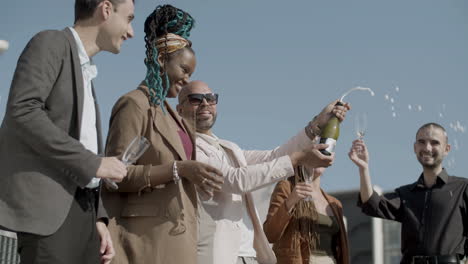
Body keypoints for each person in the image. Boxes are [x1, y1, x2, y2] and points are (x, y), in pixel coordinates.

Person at [0, 0, 134, 263]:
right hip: (49, 215)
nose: (131, 32)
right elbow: (23, 112)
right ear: (106, 9)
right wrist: (94, 163)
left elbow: (82, 143)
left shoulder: (87, 73)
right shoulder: (50, 42)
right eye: (129, 19)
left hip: (84, 216)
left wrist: (98, 218)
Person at [176, 80, 350, 264]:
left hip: (249, 253)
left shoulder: (229, 148)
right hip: (215, 254)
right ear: (180, 110)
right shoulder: (185, 148)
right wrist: (299, 159)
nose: (205, 103)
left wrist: (316, 124)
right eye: (196, 99)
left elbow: (275, 156)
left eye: (210, 98)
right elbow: (236, 180)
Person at [102, 5, 224, 264]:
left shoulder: (175, 115)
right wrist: (178, 169)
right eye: (183, 69)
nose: (187, 79)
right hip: (143, 243)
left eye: (190, 72)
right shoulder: (134, 104)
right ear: (160, 60)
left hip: (181, 239)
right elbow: (114, 176)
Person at [349, 123, 468, 264]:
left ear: (447, 149)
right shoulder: (405, 194)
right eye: (421, 142)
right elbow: (371, 202)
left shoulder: (462, 187)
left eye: (434, 142)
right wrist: (363, 168)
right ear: (415, 147)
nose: (427, 148)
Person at [263, 165, 349, 264]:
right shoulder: (287, 187)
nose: (319, 157)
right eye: (315, 153)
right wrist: (290, 201)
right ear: (302, 159)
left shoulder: (335, 204)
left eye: (323, 153)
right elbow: (270, 234)